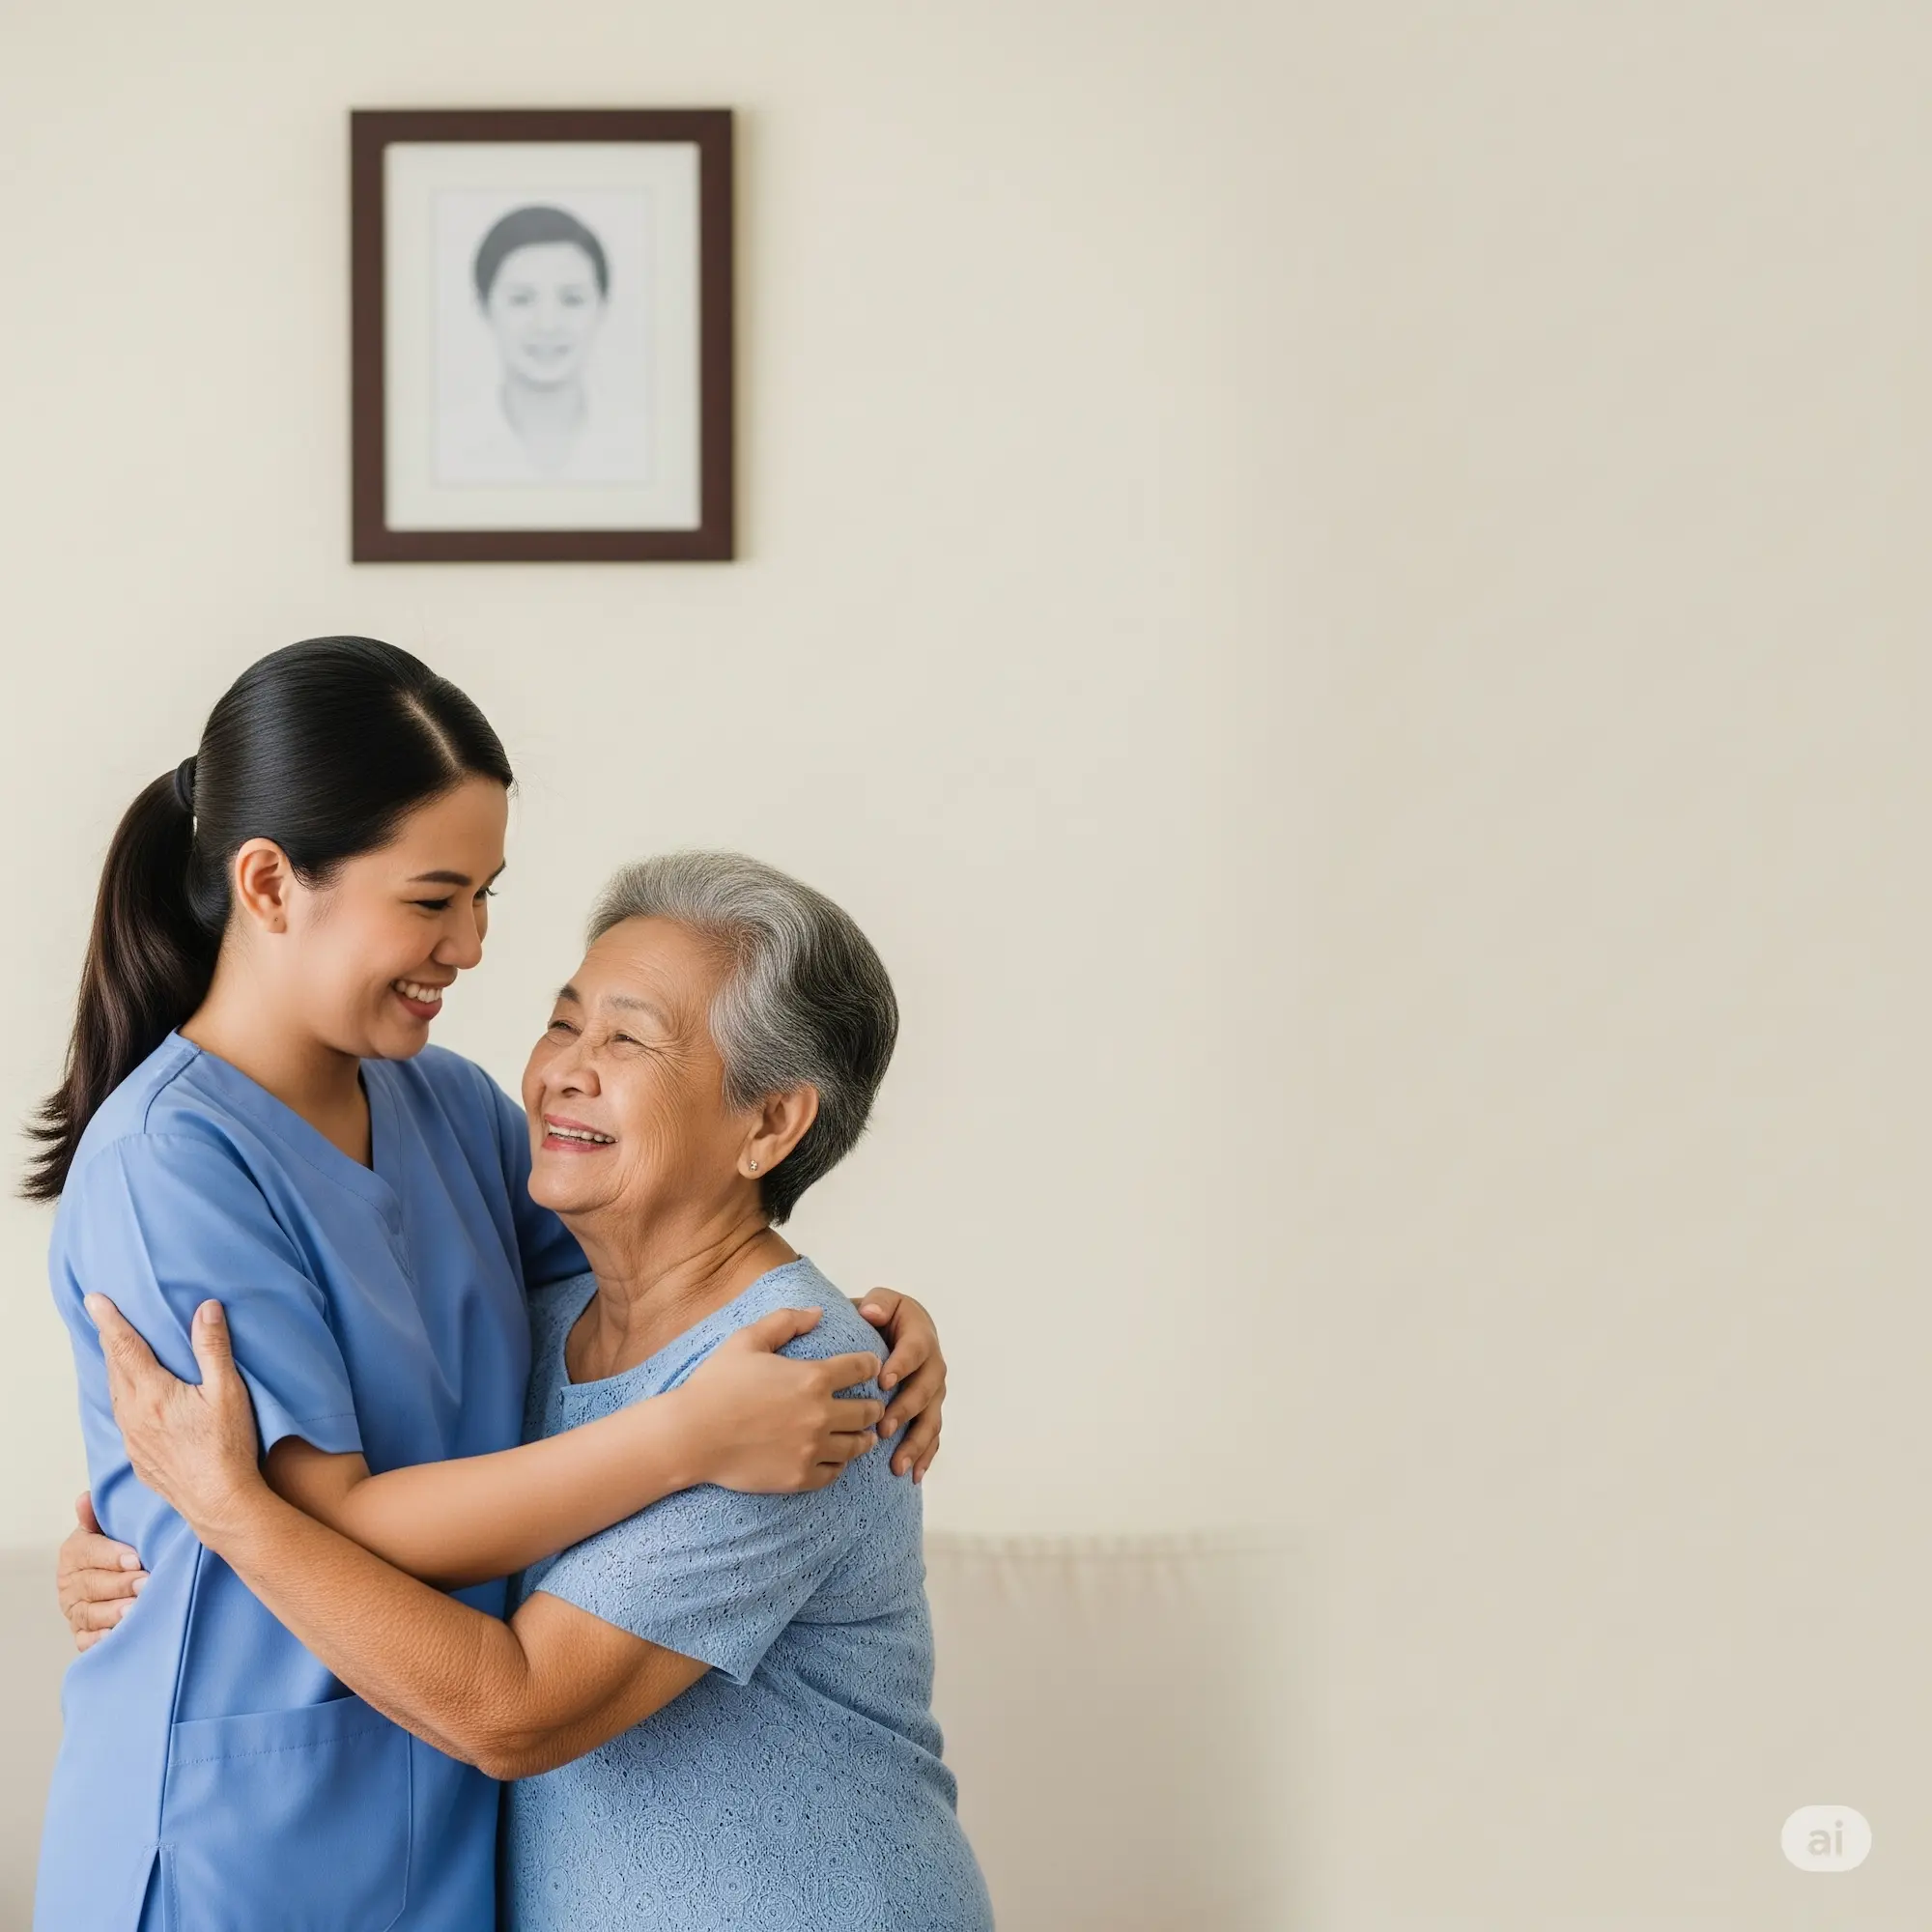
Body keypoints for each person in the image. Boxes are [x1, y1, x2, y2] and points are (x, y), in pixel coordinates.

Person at [33, 641, 948, 1932]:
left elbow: (661, 1274)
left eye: (485, 896)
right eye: (433, 897)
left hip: (441, 1837)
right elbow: (326, 1511)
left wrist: (878, 1323)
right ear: (269, 884)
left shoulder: (448, 1110)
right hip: (241, 1839)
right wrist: (688, 1435)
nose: (470, 945)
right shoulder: (167, 1166)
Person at [438, 203, 642, 485]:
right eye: (521, 299)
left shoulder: (643, 446)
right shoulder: (443, 449)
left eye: (572, 300)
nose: (548, 324)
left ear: (602, 306)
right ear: (483, 306)